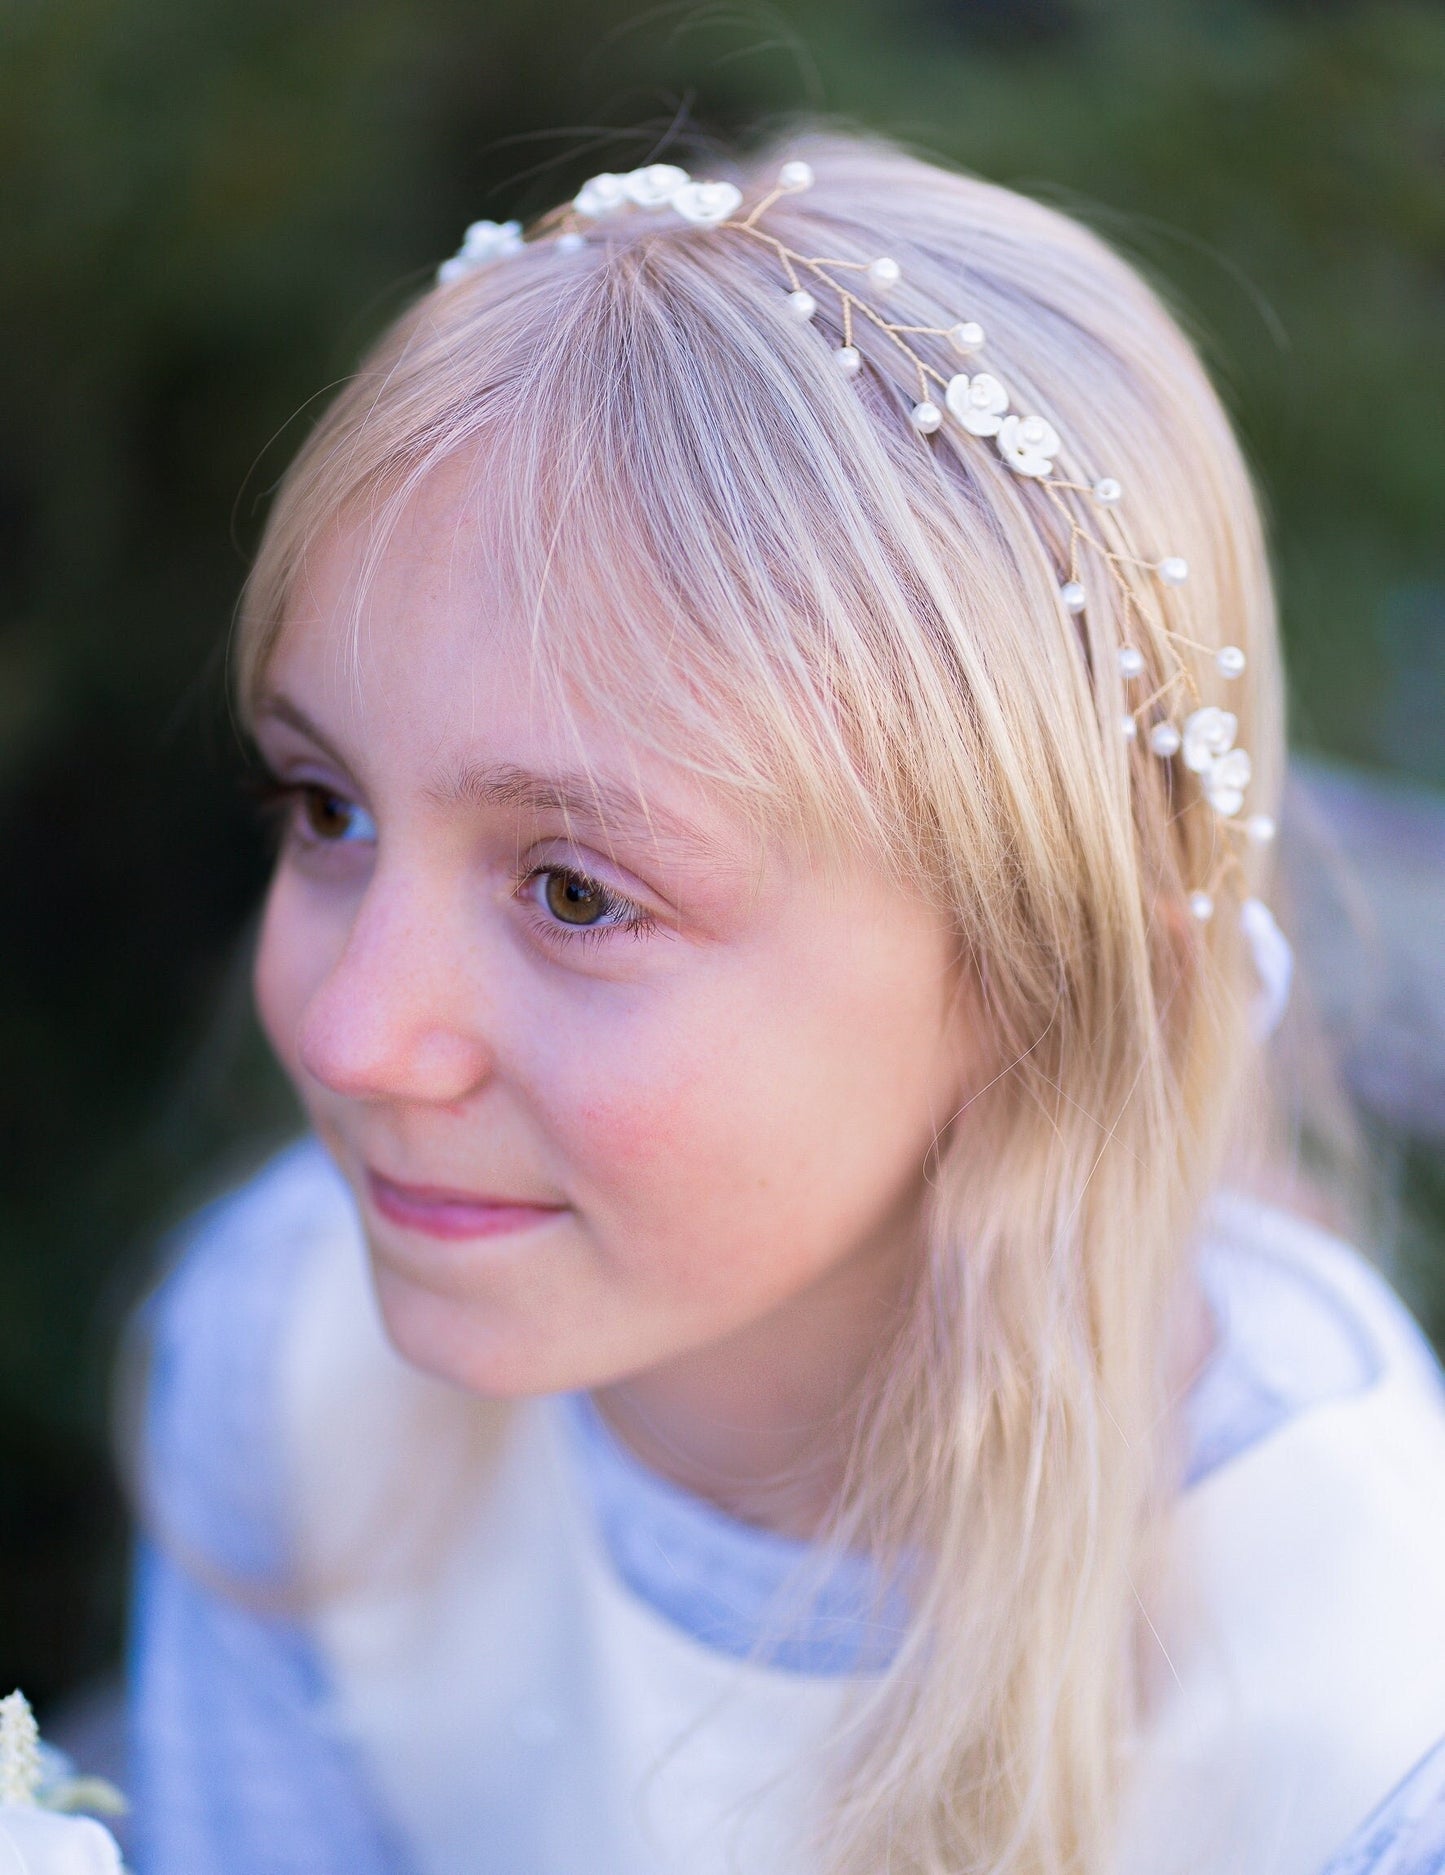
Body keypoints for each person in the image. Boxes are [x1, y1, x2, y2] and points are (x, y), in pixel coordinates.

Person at [124, 131, 1445, 1875]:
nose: (354, 1035)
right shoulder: (289, 1358)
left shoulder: (1345, 1684)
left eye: (579, 892)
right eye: (327, 810)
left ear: (1048, 985)